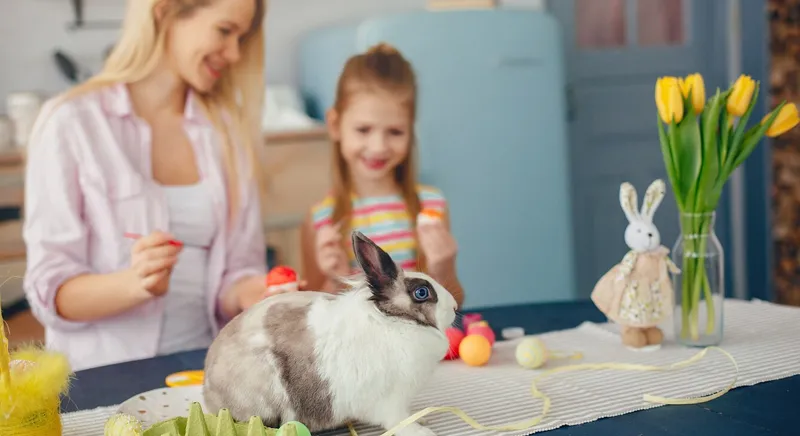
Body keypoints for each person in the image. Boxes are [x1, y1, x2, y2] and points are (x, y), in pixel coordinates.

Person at [22, 0, 269, 371]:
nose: (235, 53)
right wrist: (135, 283)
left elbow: (237, 270)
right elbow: (48, 290)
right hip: (103, 376)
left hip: (204, 368)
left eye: (242, 37)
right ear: (165, 11)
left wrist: (258, 292)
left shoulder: (227, 133)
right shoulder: (71, 122)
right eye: (224, 30)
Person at [300, 43, 465, 307]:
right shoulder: (320, 221)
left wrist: (442, 267)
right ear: (335, 125)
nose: (378, 147)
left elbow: (454, 303)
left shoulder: (431, 207)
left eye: (395, 132)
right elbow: (310, 313)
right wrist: (335, 279)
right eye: (364, 130)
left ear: (411, 132)